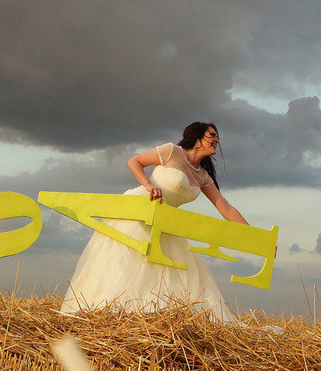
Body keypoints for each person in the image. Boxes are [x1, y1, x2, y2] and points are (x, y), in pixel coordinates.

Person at [58, 121, 248, 321]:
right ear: (198, 138)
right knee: (126, 264)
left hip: (167, 222)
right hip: (140, 210)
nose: (217, 140)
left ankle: (150, 318)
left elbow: (225, 207)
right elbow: (134, 161)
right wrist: (149, 185)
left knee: (175, 274)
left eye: (217, 136)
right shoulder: (171, 151)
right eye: (212, 135)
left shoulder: (203, 175)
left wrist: (256, 237)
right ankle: (108, 315)